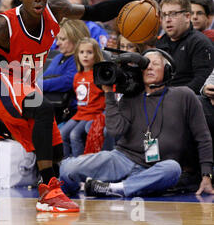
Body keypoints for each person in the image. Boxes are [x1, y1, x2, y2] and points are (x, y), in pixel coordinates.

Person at [0, 0, 159, 213]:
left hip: (21, 81)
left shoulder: (57, 9)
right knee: (42, 109)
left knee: (55, 150)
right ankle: (48, 191)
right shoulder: (1, 25)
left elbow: (95, 11)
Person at [60, 48, 214, 197]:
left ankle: (116, 188)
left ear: (167, 69)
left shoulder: (184, 95)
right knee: (68, 166)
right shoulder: (131, 97)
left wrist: (206, 175)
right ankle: (84, 188)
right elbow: (115, 130)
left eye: (155, 64)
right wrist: (109, 94)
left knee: (173, 169)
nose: (149, 68)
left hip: (156, 167)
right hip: (122, 159)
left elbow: (203, 137)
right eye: (146, 65)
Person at [156, 0, 214, 94]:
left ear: (187, 16)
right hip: (161, 99)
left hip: (189, 101)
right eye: (164, 15)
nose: (167, 20)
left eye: (173, 14)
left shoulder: (200, 42)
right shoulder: (161, 42)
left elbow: (201, 81)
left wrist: (172, 96)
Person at [59, 38, 105, 158]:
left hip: (93, 114)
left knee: (75, 135)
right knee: (61, 134)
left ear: (96, 55)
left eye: (89, 52)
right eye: (82, 52)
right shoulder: (77, 76)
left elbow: (110, 93)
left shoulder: (99, 75)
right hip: (80, 114)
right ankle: (65, 164)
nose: (85, 56)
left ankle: (78, 166)